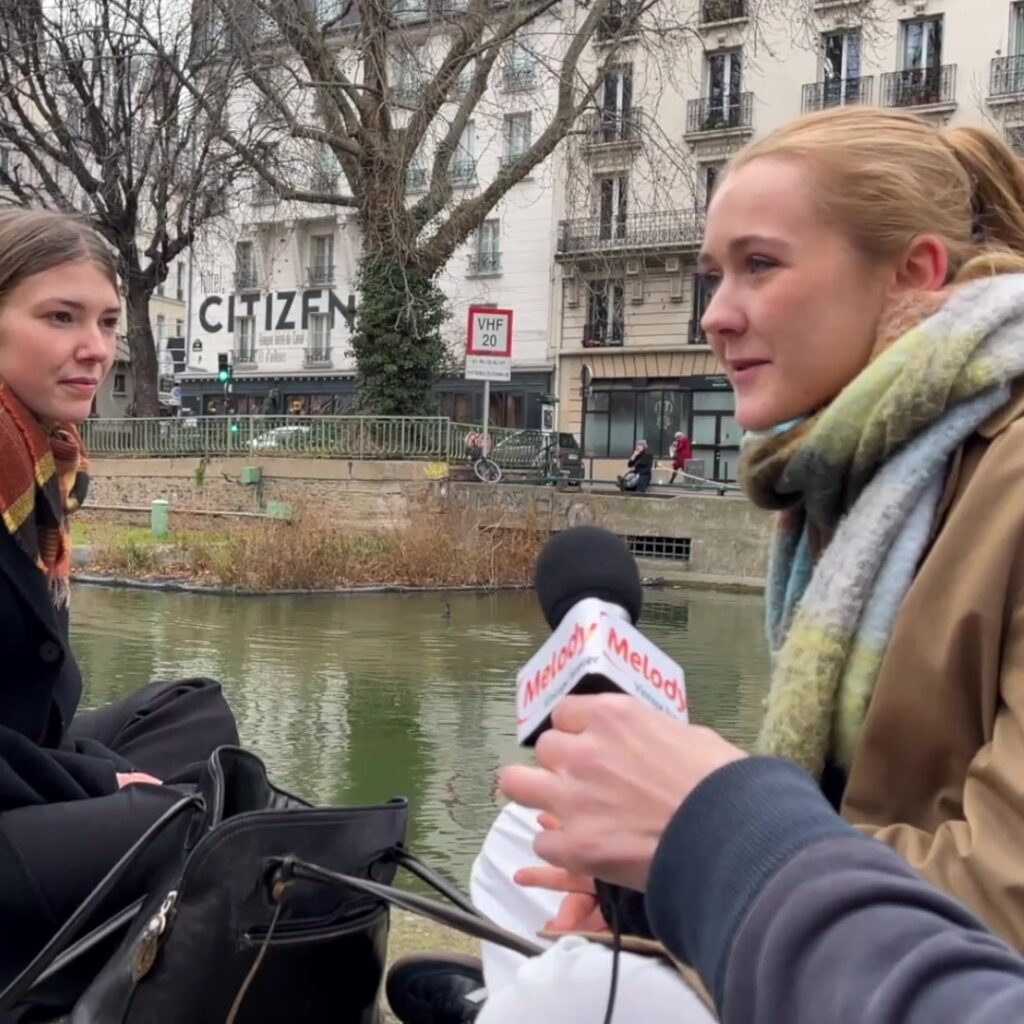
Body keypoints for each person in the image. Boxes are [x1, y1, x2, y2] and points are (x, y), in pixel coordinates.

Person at [387, 104, 1024, 1021]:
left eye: (759, 266)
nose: (716, 316)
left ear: (913, 275)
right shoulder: (859, 484)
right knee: (533, 832)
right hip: (846, 939)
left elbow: (998, 918)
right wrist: (655, 879)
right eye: (713, 275)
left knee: (566, 980)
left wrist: (696, 833)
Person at [0, 209, 239, 1017]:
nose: (96, 346)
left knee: (192, 710)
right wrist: (99, 784)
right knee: (171, 822)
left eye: (104, 321)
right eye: (59, 317)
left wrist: (96, 778)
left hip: (24, 760)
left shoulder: (37, 465)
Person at [496, 694, 1024, 1024]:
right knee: (520, 832)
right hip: (848, 920)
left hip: (888, 971)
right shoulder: (827, 529)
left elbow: (1002, 909)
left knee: (559, 995)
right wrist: (646, 897)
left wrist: (710, 847)